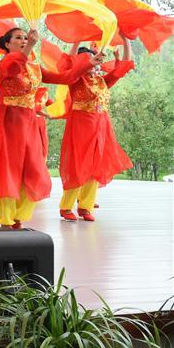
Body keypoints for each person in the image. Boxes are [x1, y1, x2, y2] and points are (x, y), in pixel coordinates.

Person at [0, 28, 101, 230]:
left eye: (25, 38)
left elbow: (66, 78)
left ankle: (18, 216)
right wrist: (30, 47)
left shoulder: (34, 68)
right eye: (18, 38)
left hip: (29, 122)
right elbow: (14, 68)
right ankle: (6, 219)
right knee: (9, 169)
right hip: (9, 122)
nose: (23, 40)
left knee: (34, 170)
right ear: (7, 44)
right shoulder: (4, 63)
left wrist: (89, 63)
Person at [57, 40, 133, 221]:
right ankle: (66, 206)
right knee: (78, 166)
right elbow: (66, 64)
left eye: (94, 59)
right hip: (81, 127)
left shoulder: (101, 81)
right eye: (88, 60)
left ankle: (85, 206)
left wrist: (126, 41)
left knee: (95, 166)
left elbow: (122, 68)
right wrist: (76, 39)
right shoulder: (75, 79)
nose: (93, 62)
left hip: (101, 128)